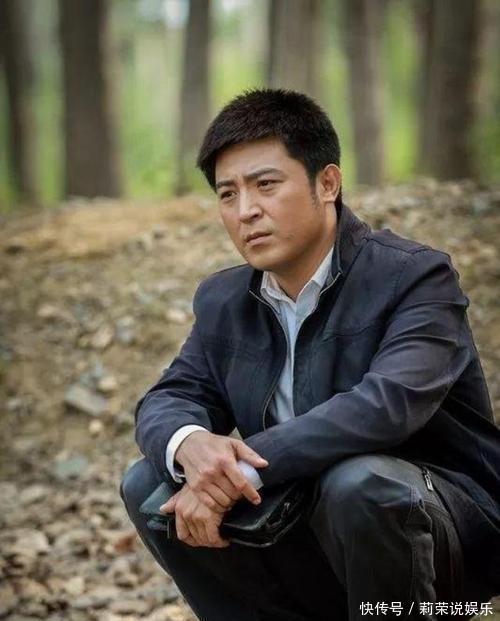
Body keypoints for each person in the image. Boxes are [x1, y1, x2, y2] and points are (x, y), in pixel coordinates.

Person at [121, 89, 500, 621]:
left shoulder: (414, 278)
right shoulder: (225, 301)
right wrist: (192, 446)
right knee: (148, 482)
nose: (246, 211)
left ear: (327, 183)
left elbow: (385, 406)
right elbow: (170, 397)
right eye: (228, 194)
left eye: (266, 185)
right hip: (302, 529)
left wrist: (237, 471)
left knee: (361, 483)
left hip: (443, 545)